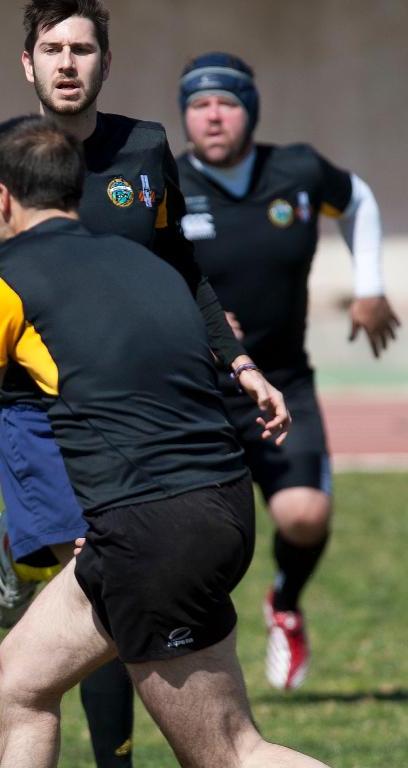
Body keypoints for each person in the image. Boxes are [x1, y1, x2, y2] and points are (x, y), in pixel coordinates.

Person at [0, 115, 327, 768]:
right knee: (22, 678)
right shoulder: (147, 265)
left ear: (0, 198)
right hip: (218, 506)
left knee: (232, 755)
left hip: (151, 532)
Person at [0, 2, 284, 766]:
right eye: (52, 49)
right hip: (39, 414)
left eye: (83, 48)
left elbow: (180, 271)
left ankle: (27, 556)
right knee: (75, 607)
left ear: (106, 62)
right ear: (28, 64)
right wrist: (28, 331)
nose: (68, 62)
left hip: (145, 424)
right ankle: (29, 545)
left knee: (85, 615)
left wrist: (238, 364)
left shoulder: (145, 150)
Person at [176, 52, 400, 691]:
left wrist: (370, 285)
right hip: (196, 389)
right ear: (185, 118)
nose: (212, 116)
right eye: (198, 105)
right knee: (197, 539)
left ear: (250, 110)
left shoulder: (296, 170)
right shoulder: (160, 183)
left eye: (226, 102)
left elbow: (357, 198)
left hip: (283, 381)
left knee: (304, 515)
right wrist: (198, 326)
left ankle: (285, 605)